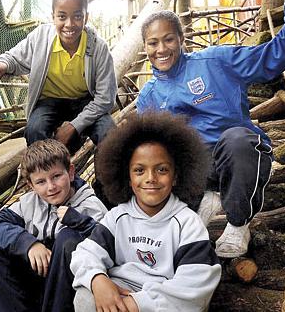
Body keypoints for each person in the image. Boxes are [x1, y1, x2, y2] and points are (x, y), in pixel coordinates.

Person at [136, 0, 285, 258]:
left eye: (168, 40)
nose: (161, 49)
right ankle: (207, 197)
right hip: (192, 170)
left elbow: (273, 56)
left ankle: (237, 223)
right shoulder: (148, 96)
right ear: (145, 47)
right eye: (153, 43)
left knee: (238, 139)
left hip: (236, 156)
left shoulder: (216, 62)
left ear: (181, 39)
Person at [70, 112, 222, 312]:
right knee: (84, 298)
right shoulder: (118, 217)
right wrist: (97, 280)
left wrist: (137, 304)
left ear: (176, 176)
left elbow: (196, 282)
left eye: (162, 170)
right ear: (128, 177)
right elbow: (85, 253)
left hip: (162, 300)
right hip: (119, 291)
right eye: (139, 170)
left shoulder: (187, 223)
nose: (150, 178)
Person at [0, 0, 117, 152]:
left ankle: (105, 179)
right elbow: (14, 58)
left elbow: (105, 99)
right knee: (34, 130)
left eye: (77, 16)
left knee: (109, 134)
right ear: (53, 16)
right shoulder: (41, 38)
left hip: (85, 102)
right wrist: (2, 65)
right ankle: (47, 176)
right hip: (49, 102)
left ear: (86, 17)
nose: (69, 24)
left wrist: (74, 126)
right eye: (62, 17)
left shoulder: (98, 47)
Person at [0, 139, 108, 312]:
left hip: (70, 289)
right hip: (38, 282)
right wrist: (28, 244)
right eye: (41, 182)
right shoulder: (29, 204)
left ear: (70, 172)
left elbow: (108, 244)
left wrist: (80, 222)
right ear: (31, 185)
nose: (51, 187)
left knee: (68, 238)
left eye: (56, 176)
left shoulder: (90, 205)